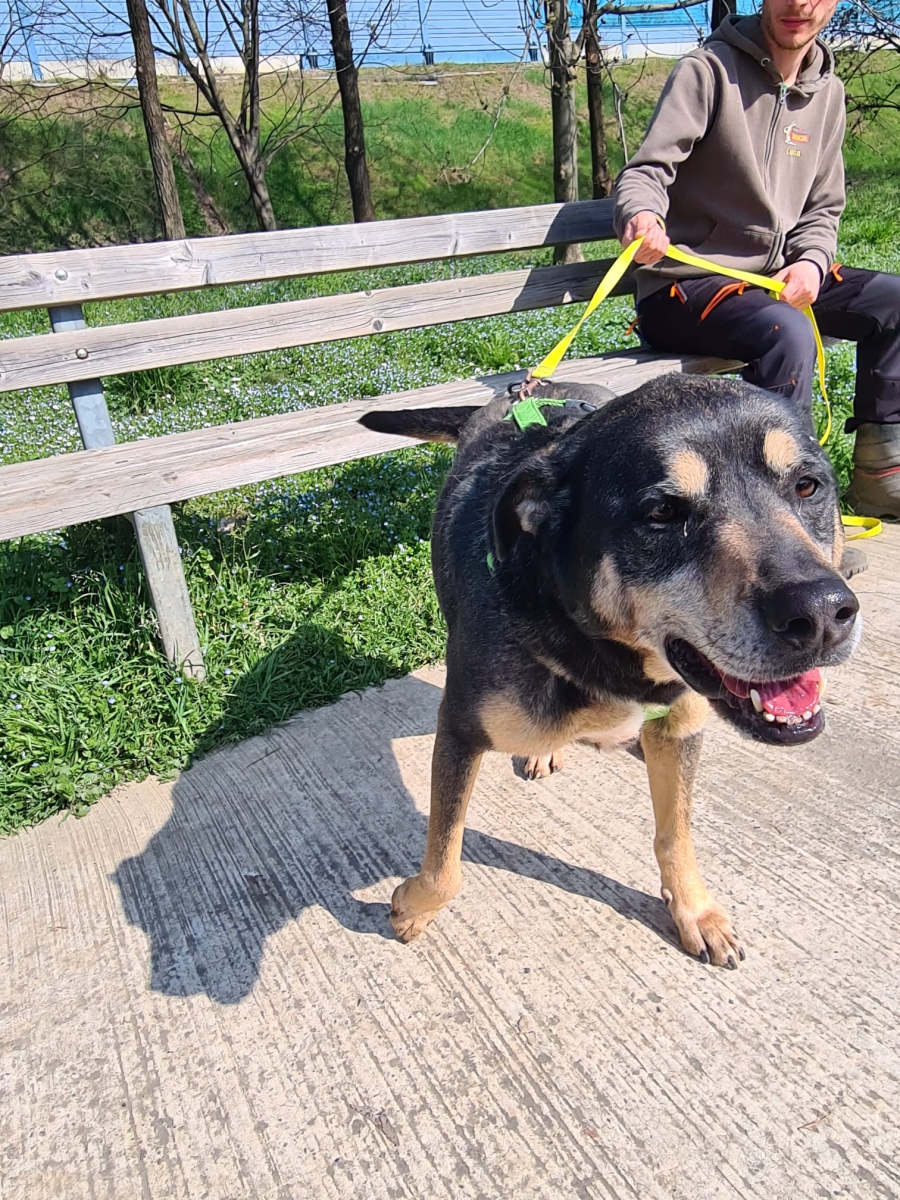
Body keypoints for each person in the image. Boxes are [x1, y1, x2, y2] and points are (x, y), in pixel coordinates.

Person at [613, 0, 900, 535]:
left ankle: (880, 473)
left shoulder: (828, 93)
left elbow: (823, 210)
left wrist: (812, 262)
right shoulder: (707, 71)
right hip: (684, 288)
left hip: (771, 280)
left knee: (892, 302)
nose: (800, 4)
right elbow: (645, 171)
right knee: (785, 332)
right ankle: (790, 523)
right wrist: (642, 215)